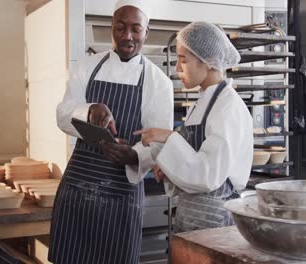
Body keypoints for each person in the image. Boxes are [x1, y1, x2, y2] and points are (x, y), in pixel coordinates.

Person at [49, 0, 174, 263]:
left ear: (146, 32)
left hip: (122, 195)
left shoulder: (158, 82)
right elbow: (62, 115)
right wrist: (89, 110)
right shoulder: (87, 66)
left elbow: (160, 141)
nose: (127, 36)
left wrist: (133, 156)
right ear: (111, 28)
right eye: (120, 28)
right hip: (78, 189)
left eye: (135, 29)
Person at [134, 21, 253, 233]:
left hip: (216, 223)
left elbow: (208, 175)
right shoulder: (203, 102)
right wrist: (170, 170)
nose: (178, 68)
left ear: (207, 62)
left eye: (183, 60)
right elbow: (194, 160)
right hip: (191, 219)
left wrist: (169, 137)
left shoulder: (228, 107)